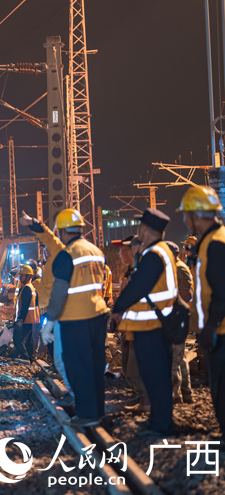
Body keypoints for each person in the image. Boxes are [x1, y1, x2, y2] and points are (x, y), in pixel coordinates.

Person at [40, 208, 110, 427]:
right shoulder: (95, 250)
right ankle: (97, 411)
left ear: (61, 232)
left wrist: (50, 321)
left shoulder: (67, 254)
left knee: (77, 366)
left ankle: (87, 414)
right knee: (95, 365)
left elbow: (61, 290)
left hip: (75, 318)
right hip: (98, 314)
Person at [112, 208, 176, 437]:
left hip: (153, 327)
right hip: (157, 324)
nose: (139, 231)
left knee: (156, 375)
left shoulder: (155, 254)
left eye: (141, 227)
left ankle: (161, 423)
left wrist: (118, 308)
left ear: (147, 230)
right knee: (157, 376)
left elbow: (139, 286)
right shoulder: (162, 251)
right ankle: (160, 419)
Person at [179, 185, 225, 438]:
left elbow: (221, 291)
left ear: (196, 215)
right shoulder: (214, 240)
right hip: (219, 327)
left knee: (220, 388)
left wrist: (210, 328)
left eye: (186, 214)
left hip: (222, 330)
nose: (185, 220)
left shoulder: (215, 244)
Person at [19, 211, 71, 398]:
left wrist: (33, 223)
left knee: (60, 346)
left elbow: (60, 288)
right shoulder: (87, 252)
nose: (45, 250)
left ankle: (75, 397)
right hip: (66, 312)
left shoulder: (64, 255)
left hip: (61, 312)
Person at [112, 235, 149, 413]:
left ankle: (146, 402)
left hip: (140, 323)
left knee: (138, 364)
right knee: (130, 364)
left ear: (131, 250)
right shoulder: (130, 271)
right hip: (130, 323)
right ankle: (141, 398)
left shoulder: (140, 270)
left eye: (121, 249)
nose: (119, 253)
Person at [166, 240, 194, 404]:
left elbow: (186, 294)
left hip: (176, 318)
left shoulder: (179, 268)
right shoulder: (175, 267)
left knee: (175, 358)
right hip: (175, 317)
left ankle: (175, 395)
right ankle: (187, 393)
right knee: (180, 357)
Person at [13, 264, 39, 362]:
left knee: (17, 338)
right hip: (29, 319)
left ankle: (25, 357)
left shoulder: (27, 288)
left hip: (26, 319)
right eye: (20, 275)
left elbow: (25, 306)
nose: (20, 277)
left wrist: (20, 319)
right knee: (27, 340)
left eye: (22, 275)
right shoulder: (28, 287)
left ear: (28, 276)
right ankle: (28, 358)